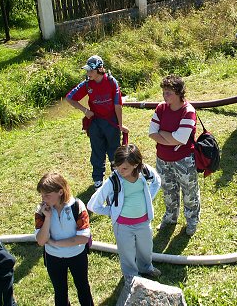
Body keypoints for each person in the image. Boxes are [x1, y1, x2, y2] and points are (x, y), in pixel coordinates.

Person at [87, 144, 162, 285]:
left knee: (145, 248)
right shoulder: (113, 180)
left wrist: (148, 199)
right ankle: (131, 276)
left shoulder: (144, 172)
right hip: (123, 225)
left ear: (135, 165)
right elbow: (93, 205)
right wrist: (112, 211)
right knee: (126, 253)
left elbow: (157, 181)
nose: (120, 171)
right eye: (117, 166)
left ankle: (146, 268)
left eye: (124, 168)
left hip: (143, 222)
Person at [66, 55, 129, 189]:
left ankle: (116, 175)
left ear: (100, 69)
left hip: (111, 122)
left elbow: (118, 105)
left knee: (114, 149)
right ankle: (98, 179)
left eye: (91, 71)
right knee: (97, 151)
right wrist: (85, 110)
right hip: (95, 123)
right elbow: (70, 98)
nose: (88, 73)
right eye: (87, 71)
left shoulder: (112, 82)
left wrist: (120, 124)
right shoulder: (87, 84)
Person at [149, 75, 200, 236]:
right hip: (163, 160)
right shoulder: (161, 108)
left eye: (168, 92)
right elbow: (152, 133)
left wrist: (163, 134)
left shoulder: (189, 112)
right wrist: (171, 137)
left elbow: (181, 139)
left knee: (189, 192)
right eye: (164, 92)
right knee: (168, 190)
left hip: (183, 160)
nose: (165, 96)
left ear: (179, 92)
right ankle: (170, 217)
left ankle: (192, 221)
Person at [35, 173, 94, 306]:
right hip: (53, 258)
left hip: (77, 255)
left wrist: (56, 243)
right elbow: (41, 241)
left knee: (83, 288)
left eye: (47, 195)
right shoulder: (41, 210)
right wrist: (48, 218)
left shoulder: (77, 206)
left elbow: (83, 237)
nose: (43, 199)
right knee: (60, 292)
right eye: (42, 195)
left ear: (60, 192)